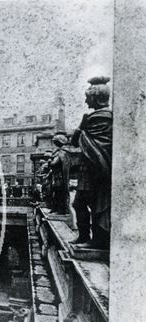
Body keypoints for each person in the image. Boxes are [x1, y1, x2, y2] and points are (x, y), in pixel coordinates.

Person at [70, 76, 113, 249]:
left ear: (95, 97)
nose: (86, 99)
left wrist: (81, 126)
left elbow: (76, 141)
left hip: (93, 171)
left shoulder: (96, 118)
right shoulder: (101, 117)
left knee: (90, 204)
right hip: (91, 169)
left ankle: (94, 240)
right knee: (85, 203)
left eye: (88, 96)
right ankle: (86, 237)